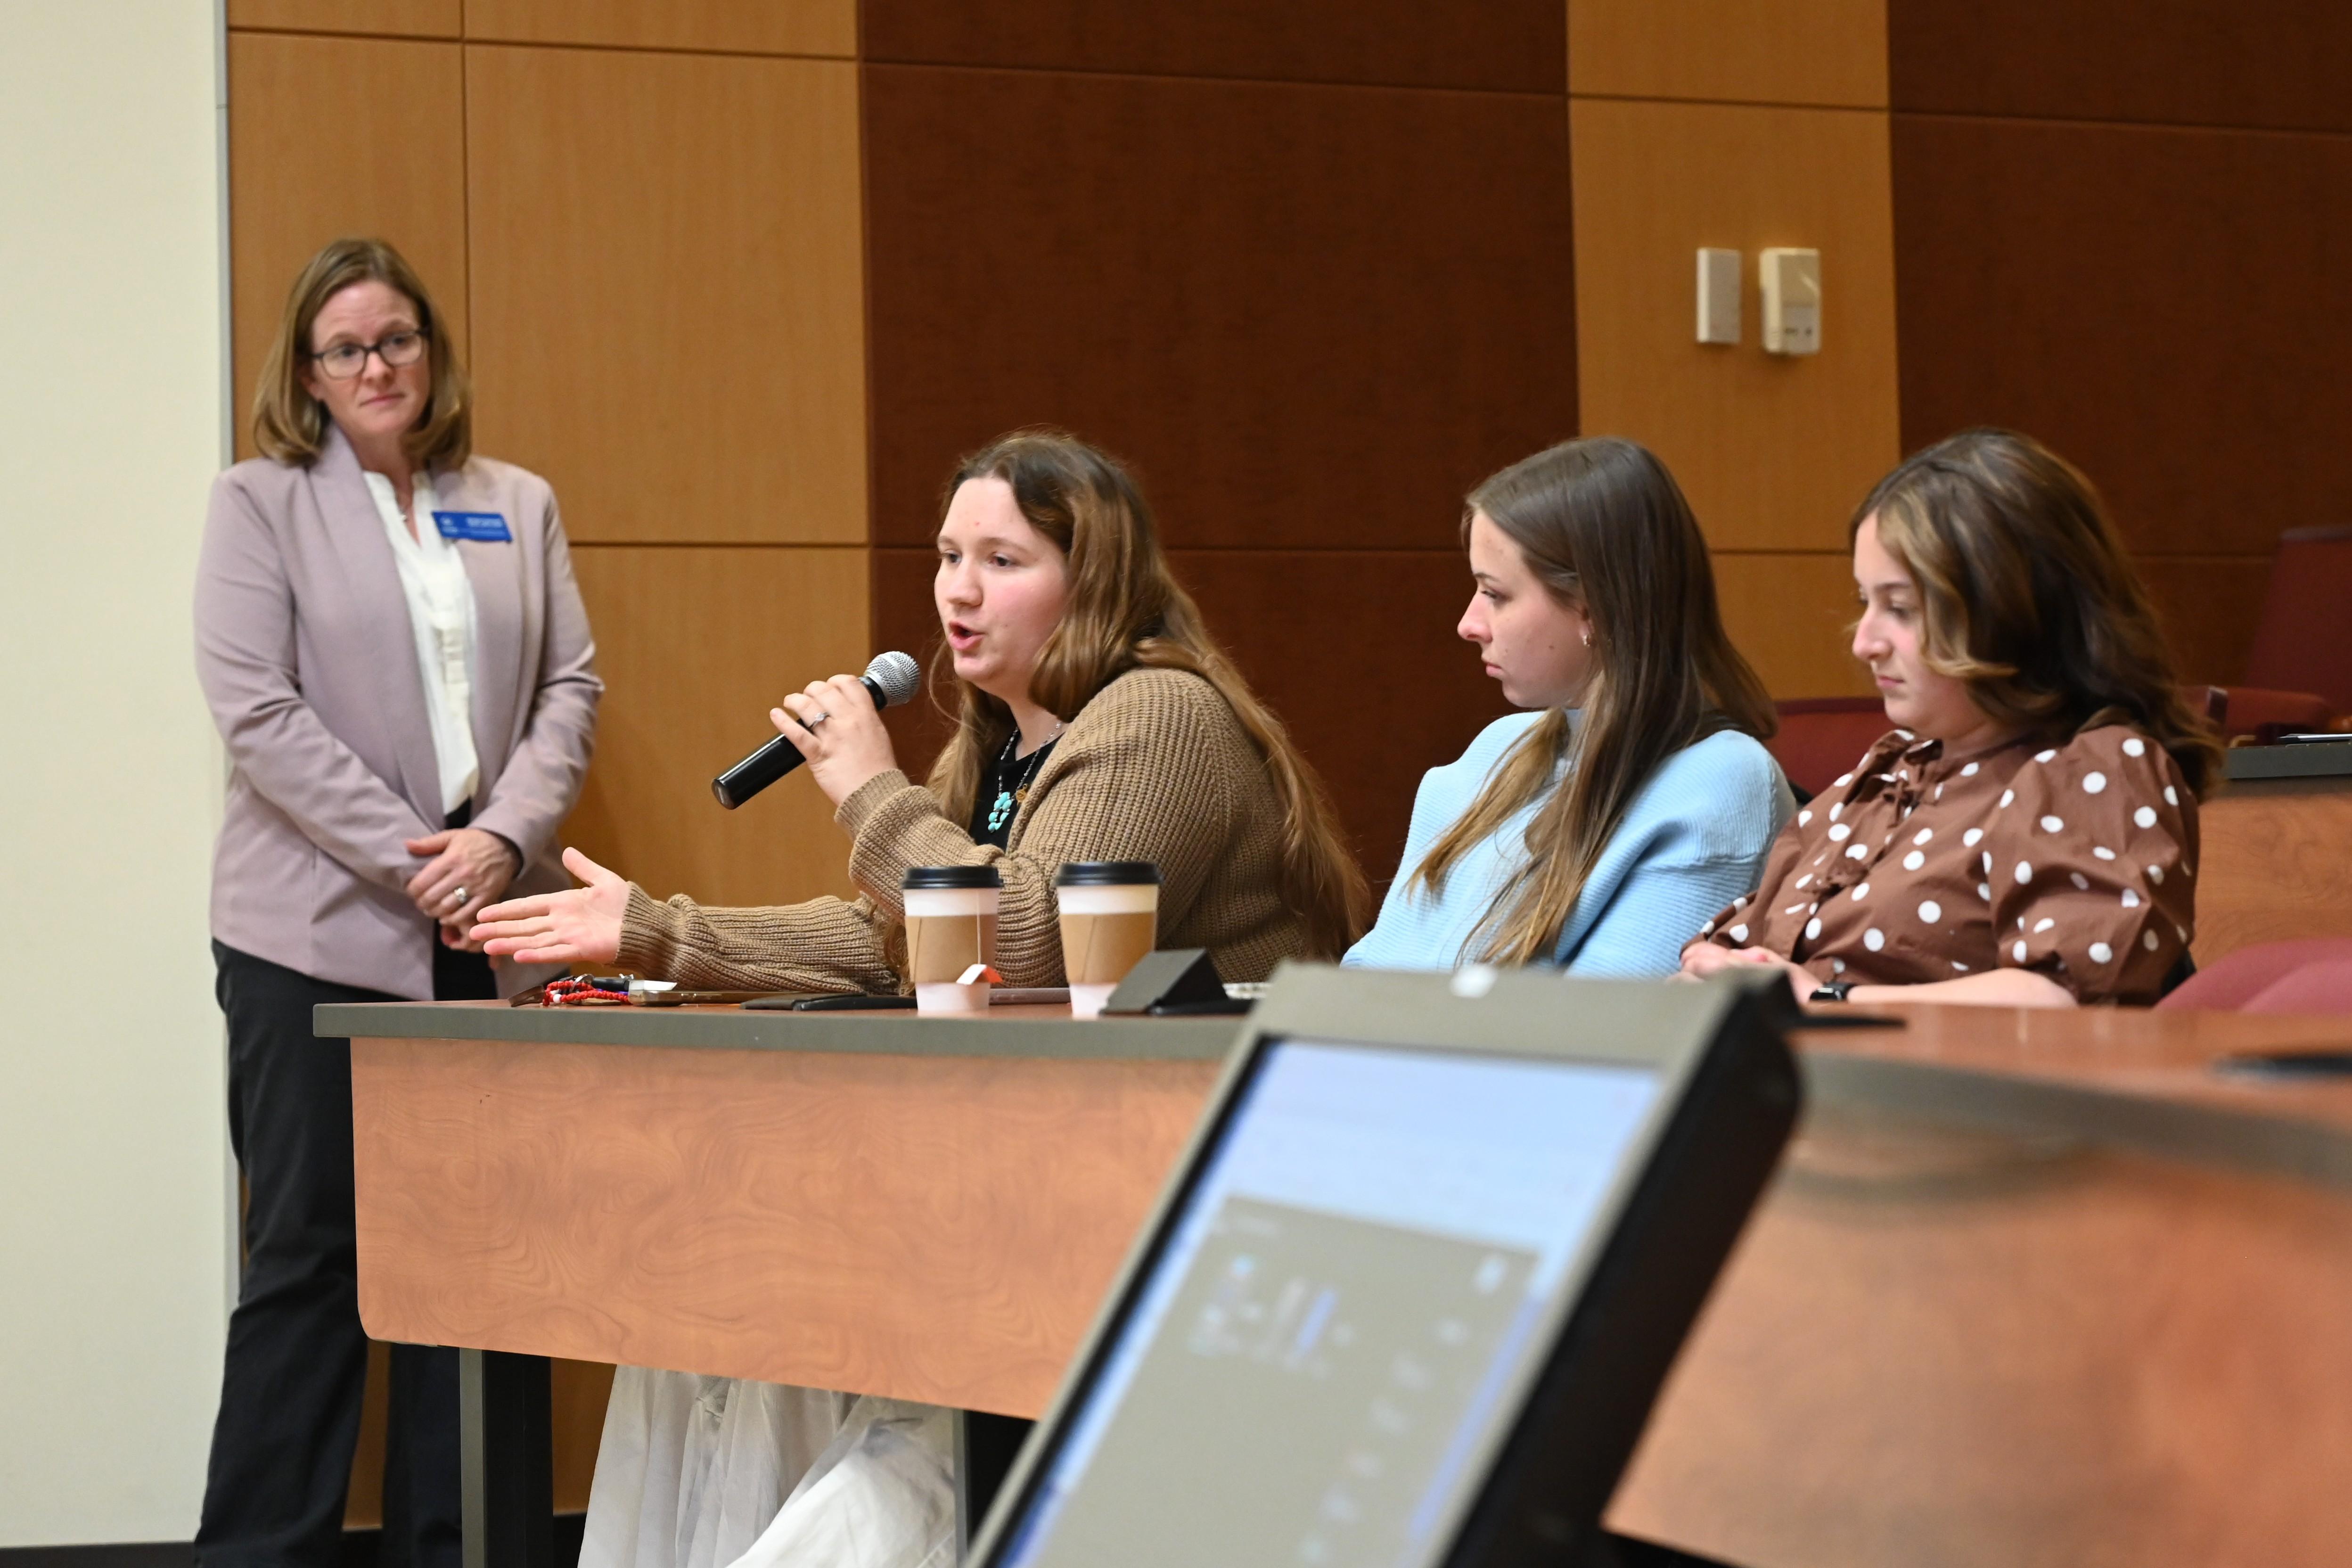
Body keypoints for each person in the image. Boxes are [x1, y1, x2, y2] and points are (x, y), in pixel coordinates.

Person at [472, 430, 1365, 1568]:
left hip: (1197, 1191)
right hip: (1047, 1166)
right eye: (947, 553)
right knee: (700, 1308)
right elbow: (902, 943)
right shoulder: (1005, 745)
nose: (956, 586)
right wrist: (655, 929)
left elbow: (1033, 941)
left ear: (1089, 579)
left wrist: (869, 790)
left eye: (1001, 558)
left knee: (808, 1327)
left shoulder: (1158, 716)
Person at [192, 237, 599, 1568]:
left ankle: (472, 1545)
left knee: (484, 1262)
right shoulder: (259, 503)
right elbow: (258, 710)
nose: (377, 365)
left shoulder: (514, 501)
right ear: (306, 374)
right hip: (309, 933)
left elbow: (568, 695)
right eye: (346, 346)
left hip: (495, 931)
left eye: (398, 339)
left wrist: (504, 839)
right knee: (311, 1262)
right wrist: (421, 857)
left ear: (433, 353)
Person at [1681, 427, 2222, 1007]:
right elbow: (1746, 947)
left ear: (2010, 611)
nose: (1864, 642)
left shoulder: (2094, 771)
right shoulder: (1885, 773)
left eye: (1901, 609)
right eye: (1865, 602)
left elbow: (2063, 1000)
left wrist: (1829, 1003)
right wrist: (1704, 977)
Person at [1345, 438, 1790, 974]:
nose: (1468, 625)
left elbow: (1606, 1032)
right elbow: (1367, 974)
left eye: (1495, 594)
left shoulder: (1718, 781)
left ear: (1592, 610)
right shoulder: (1493, 751)